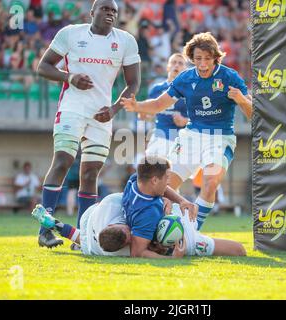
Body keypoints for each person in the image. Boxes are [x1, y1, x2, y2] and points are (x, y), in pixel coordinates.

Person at [35, 0, 141, 248]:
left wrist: (114, 109)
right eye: (105, 9)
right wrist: (69, 77)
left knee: (91, 172)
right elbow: (43, 67)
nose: (110, 14)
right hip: (72, 108)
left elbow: (133, 83)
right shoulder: (70, 34)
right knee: (63, 161)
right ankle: (45, 229)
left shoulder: (126, 40)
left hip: (102, 114)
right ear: (92, 12)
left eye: (114, 11)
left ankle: (81, 236)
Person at [121, 32, 252, 230]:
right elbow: (158, 104)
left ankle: (192, 231)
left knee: (210, 182)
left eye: (208, 58)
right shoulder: (185, 78)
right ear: (192, 58)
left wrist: (242, 100)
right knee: (163, 186)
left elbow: (253, 114)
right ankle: (151, 227)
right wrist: (137, 106)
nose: (203, 64)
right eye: (198, 58)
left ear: (216, 58)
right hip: (191, 137)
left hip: (220, 137)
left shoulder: (229, 76)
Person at [31, 189, 245, 258]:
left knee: (83, 239)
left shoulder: (112, 205)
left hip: (91, 219)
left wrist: (166, 201)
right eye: (130, 235)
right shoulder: (118, 251)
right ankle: (53, 222)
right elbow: (140, 252)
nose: (132, 231)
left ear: (113, 225)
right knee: (83, 241)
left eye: (128, 229)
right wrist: (172, 258)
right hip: (93, 241)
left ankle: (53, 222)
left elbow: (144, 195)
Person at [142, 53, 189, 158]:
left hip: (180, 140)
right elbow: (150, 114)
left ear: (185, 69)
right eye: (173, 62)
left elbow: (200, 118)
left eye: (180, 63)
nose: (176, 65)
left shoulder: (190, 91)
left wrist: (185, 121)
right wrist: (144, 115)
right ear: (168, 66)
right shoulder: (156, 89)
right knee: (147, 171)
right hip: (159, 136)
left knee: (173, 173)